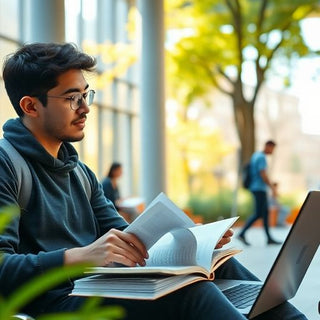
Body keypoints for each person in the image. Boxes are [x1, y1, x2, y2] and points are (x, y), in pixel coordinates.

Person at [0, 43, 306, 320]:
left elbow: (126, 234)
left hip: (98, 287)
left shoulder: (79, 171)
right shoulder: (7, 165)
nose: (85, 107)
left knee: (217, 266)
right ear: (31, 106)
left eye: (85, 94)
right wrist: (79, 256)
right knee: (187, 290)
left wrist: (194, 242)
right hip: (57, 302)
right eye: (72, 98)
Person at [238, 140, 282, 246]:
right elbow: (263, 174)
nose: (272, 151)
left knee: (265, 213)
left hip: (256, 188)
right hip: (259, 189)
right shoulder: (261, 157)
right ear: (268, 146)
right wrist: (272, 187)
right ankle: (242, 233)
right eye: (272, 148)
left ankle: (269, 238)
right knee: (258, 213)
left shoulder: (256, 155)